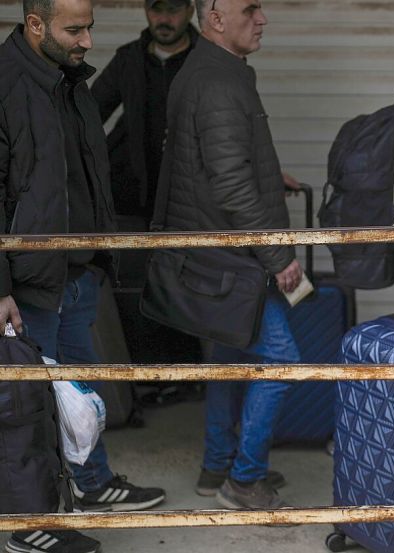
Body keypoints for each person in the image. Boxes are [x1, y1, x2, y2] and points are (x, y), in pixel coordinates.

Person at [0, 0, 168, 529]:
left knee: (82, 397)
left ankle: (93, 485)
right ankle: (37, 520)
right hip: (29, 281)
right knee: (33, 411)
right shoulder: (5, 86)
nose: (87, 41)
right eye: (74, 29)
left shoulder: (69, 82)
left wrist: (100, 256)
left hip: (77, 274)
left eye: (89, 28)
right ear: (34, 25)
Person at [158, 0, 302, 510]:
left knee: (228, 354)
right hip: (232, 255)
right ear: (215, 18)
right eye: (249, 9)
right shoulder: (220, 82)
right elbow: (230, 183)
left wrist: (269, 179)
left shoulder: (211, 71)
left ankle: (216, 466)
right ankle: (243, 480)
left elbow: (219, 161)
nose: (261, 18)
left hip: (215, 250)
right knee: (283, 361)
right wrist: (278, 256)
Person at [91, 0, 197, 224]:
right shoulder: (129, 58)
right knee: (131, 258)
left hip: (190, 198)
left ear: (190, 11)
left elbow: (234, 124)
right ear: (146, 11)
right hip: (129, 196)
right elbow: (88, 115)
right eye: (156, 10)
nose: (164, 20)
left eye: (173, 10)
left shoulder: (204, 61)